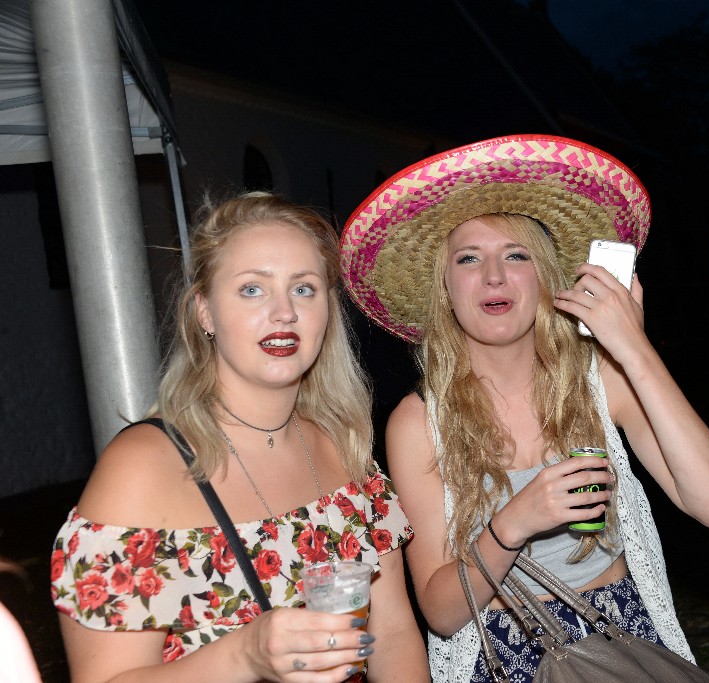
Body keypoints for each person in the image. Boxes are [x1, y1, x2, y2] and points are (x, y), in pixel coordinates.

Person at [340, 134, 709, 682]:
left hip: (619, 639)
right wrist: (515, 522)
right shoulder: (418, 422)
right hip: (501, 658)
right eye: (469, 259)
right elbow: (440, 610)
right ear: (446, 289)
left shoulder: (601, 380)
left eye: (516, 255)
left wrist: (633, 349)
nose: (495, 277)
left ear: (546, 278)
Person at [50, 192, 429, 682]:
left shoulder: (345, 445)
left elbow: (393, 634)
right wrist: (245, 654)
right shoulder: (143, 465)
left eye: (305, 289)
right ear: (204, 312)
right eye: (252, 289)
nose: (284, 312)